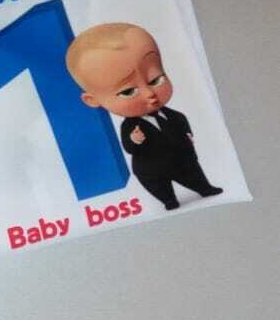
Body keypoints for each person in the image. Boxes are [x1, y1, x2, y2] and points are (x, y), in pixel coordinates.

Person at [66, 22, 223, 210]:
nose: (149, 93)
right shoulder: (130, 127)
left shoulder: (171, 115)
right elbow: (129, 146)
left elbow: (180, 119)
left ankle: (205, 188)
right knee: (160, 187)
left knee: (194, 175)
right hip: (153, 169)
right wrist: (135, 140)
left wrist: (188, 133)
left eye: (155, 80)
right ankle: (169, 200)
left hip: (183, 159)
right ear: (92, 100)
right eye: (128, 91)